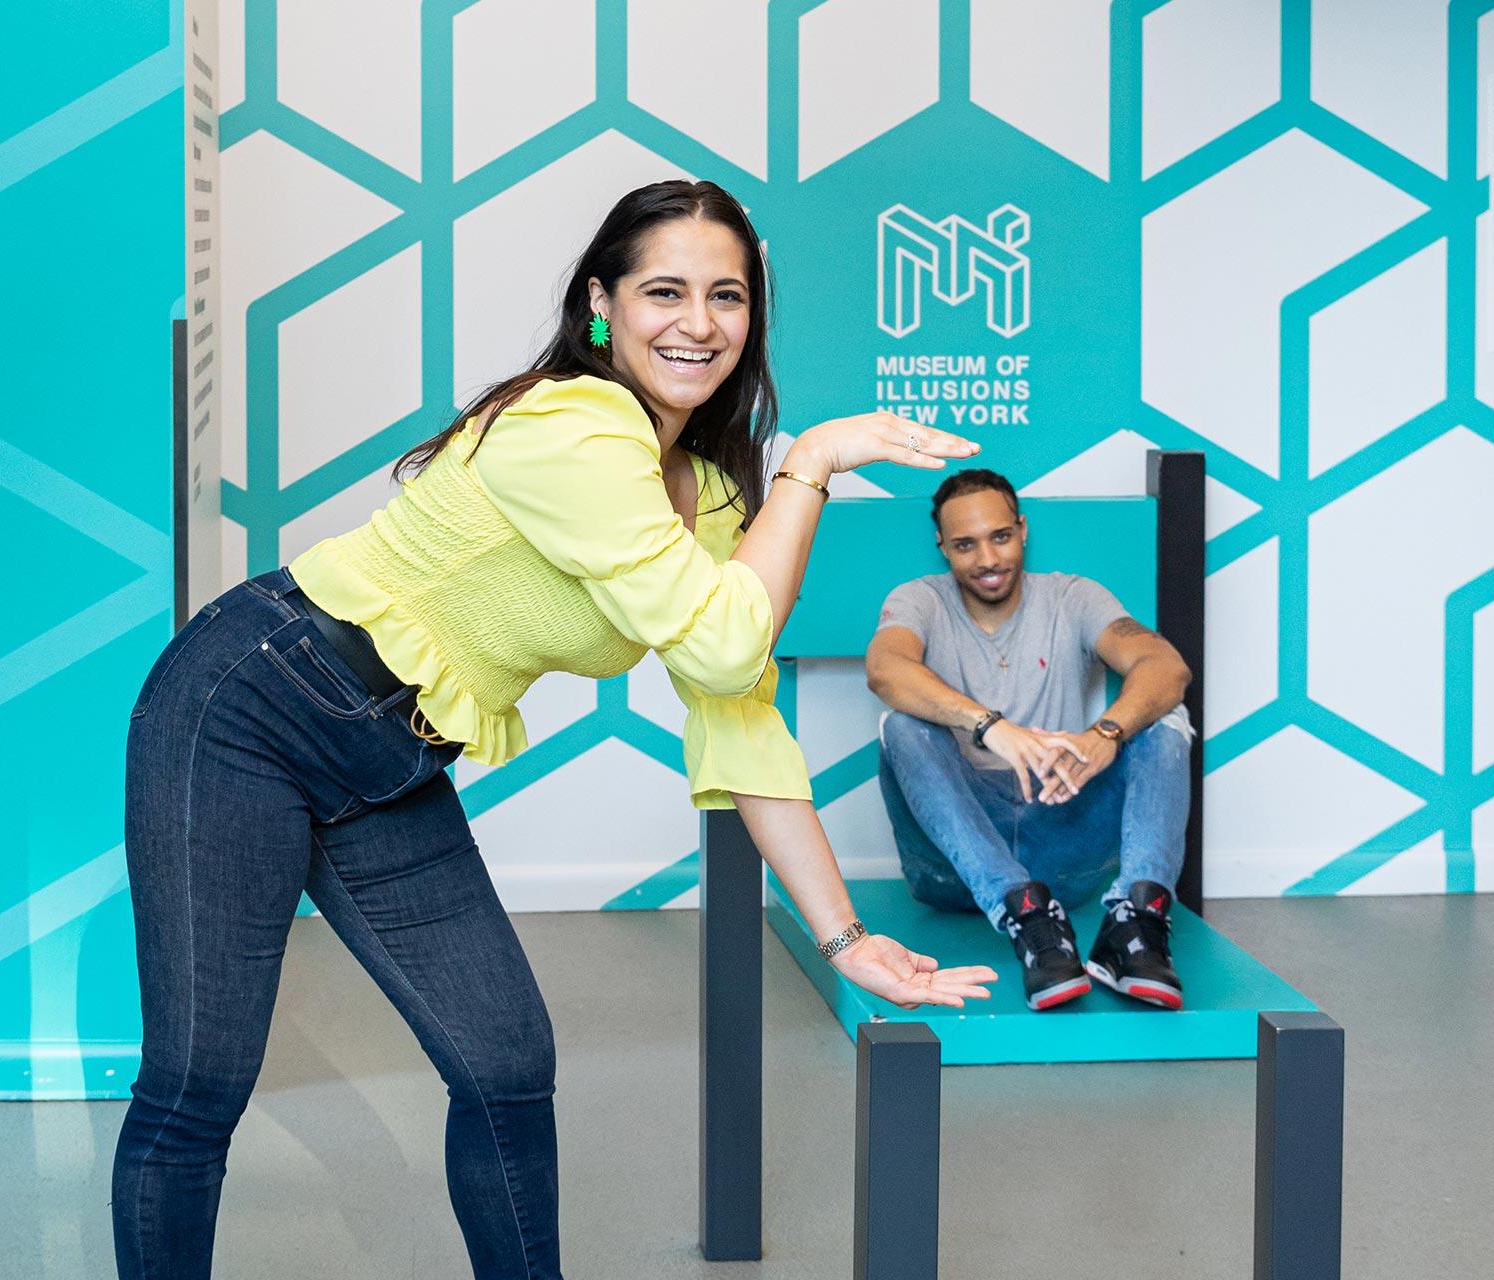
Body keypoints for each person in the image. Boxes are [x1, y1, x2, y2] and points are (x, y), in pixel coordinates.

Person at [113, 180, 996, 1280]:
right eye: (663, 290)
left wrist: (844, 937)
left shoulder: (715, 495)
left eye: (728, 296)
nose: (699, 321)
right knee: (199, 1079)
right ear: (602, 305)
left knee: (504, 1060)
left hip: (391, 753)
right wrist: (809, 465)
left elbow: (739, 710)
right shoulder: (572, 424)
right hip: (251, 703)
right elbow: (727, 642)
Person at [864, 468, 1195, 1012]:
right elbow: (885, 669)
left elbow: (1164, 665)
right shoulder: (919, 599)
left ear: (1022, 530)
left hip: (1061, 834)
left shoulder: (1072, 596)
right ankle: (1023, 913)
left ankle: (1134, 928)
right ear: (942, 547)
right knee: (901, 724)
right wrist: (992, 728)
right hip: (953, 864)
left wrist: (1105, 735)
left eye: (1000, 537)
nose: (988, 560)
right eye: (966, 545)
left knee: (1163, 718)